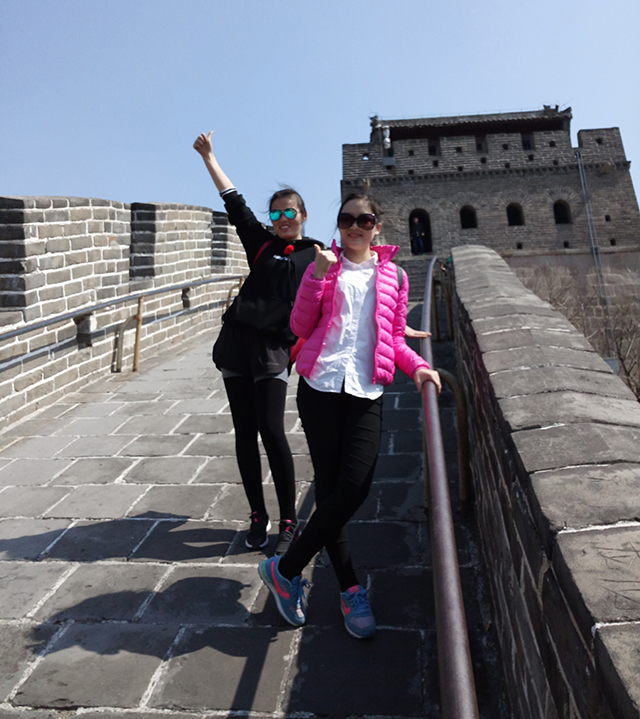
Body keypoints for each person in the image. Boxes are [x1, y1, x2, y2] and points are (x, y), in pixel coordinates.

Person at [259, 192, 441, 639]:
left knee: (354, 488)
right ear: (338, 224)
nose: (355, 227)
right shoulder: (323, 265)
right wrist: (316, 277)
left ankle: (285, 569)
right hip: (320, 387)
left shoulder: (396, 276)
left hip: (365, 391)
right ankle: (350, 590)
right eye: (347, 219)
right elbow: (299, 326)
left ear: (378, 226)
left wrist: (418, 368)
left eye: (365, 220)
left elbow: (393, 339)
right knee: (331, 492)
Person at [193, 131, 323, 555]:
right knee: (244, 433)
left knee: (272, 429)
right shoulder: (262, 243)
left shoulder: (317, 255)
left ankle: (289, 520)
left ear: (303, 215)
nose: (283, 217)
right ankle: (256, 515)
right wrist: (210, 157)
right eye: (277, 212)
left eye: (290, 211)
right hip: (236, 343)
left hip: (273, 349)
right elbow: (234, 203)